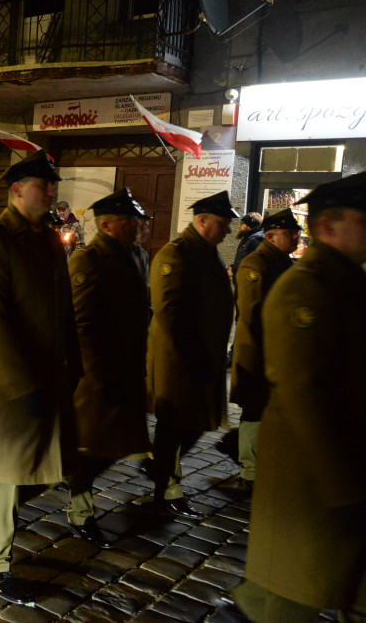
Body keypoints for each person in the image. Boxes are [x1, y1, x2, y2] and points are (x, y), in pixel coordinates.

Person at [227, 172, 366, 623]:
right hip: (312, 477)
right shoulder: (306, 286)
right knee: (294, 590)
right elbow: (305, 395)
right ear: (328, 226)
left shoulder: (347, 282)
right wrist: (345, 490)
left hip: (342, 469)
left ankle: (250, 603)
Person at [0, 151, 81, 606]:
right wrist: (21, 385)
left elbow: (62, 306)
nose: (50, 192)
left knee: (47, 465)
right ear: (16, 190)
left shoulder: (49, 238)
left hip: (47, 371)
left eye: (53, 185)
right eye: (41, 184)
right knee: (8, 472)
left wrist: (74, 356)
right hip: (5, 378)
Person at [65, 187, 151, 547]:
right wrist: (97, 375)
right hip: (97, 373)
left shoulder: (136, 255)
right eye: (128, 220)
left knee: (108, 444)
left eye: (137, 219)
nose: (137, 225)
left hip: (126, 368)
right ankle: (78, 511)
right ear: (105, 224)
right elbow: (81, 323)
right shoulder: (88, 261)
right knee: (91, 446)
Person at [148, 190, 236, 519]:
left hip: (202, 358)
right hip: (179, 361)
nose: (227, 229)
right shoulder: (177, 254)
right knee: (175, 426)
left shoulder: (205, 251)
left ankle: (159, 469)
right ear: (201, 220)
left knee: (195, 423)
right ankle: (167, 489)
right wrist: (192, 359)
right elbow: (169, 314)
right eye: (222, 223)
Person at [228, 208, 301, 491]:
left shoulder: (282, 262)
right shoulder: (255, 265)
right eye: (290, 233)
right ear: (271, 236)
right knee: (255, 412)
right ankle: (249, 471)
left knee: (267, 412)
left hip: (276, 354)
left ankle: (255, 461)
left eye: (297, 233)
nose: (296, 237)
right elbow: (253, 314)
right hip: (258, 353)